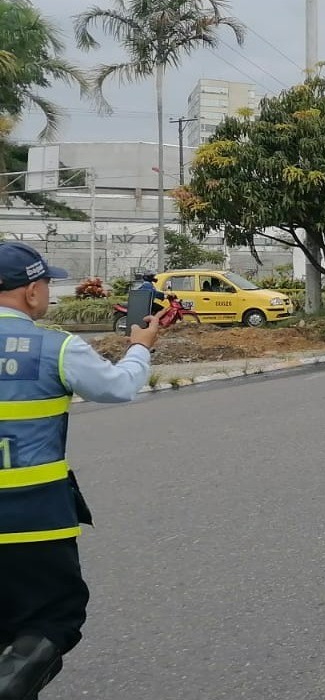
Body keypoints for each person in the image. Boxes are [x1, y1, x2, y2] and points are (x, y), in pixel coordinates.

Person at [0, 242, 160, 699]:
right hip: (33, 523)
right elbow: (120, 387)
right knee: (49, 621)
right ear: (32, 292)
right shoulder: (55, 347)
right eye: (47, 282)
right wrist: (139, 346)